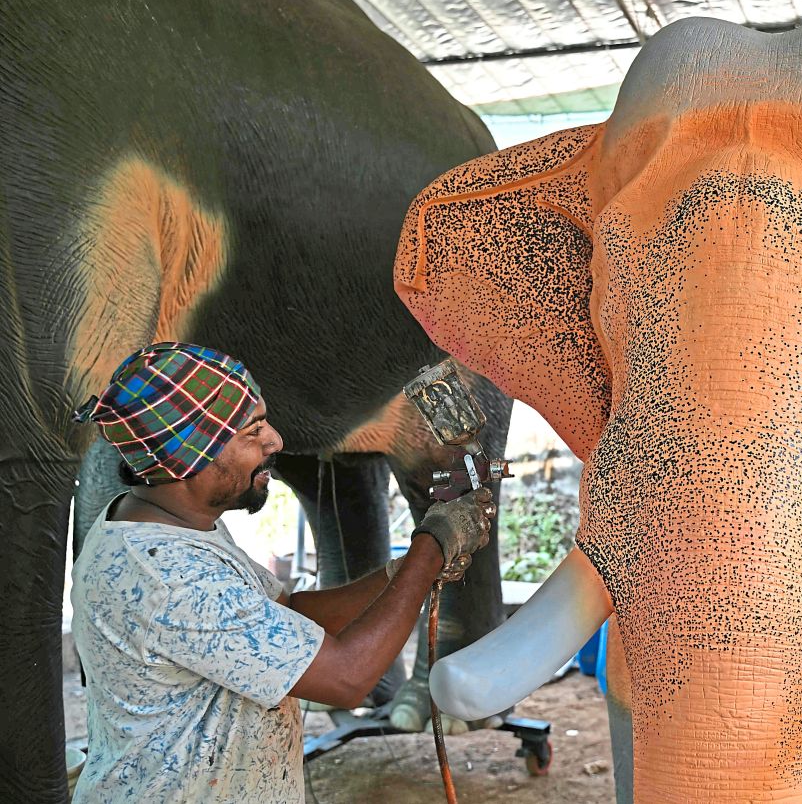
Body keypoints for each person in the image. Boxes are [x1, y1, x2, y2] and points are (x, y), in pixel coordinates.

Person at [69, 342, 493, 803]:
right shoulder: (169, 576)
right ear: (186, 459)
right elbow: (348, 678)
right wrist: (431, 548)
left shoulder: (168, 522)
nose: (276, 441)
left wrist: (402, 571)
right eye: (253, 431)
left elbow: (286, 614)